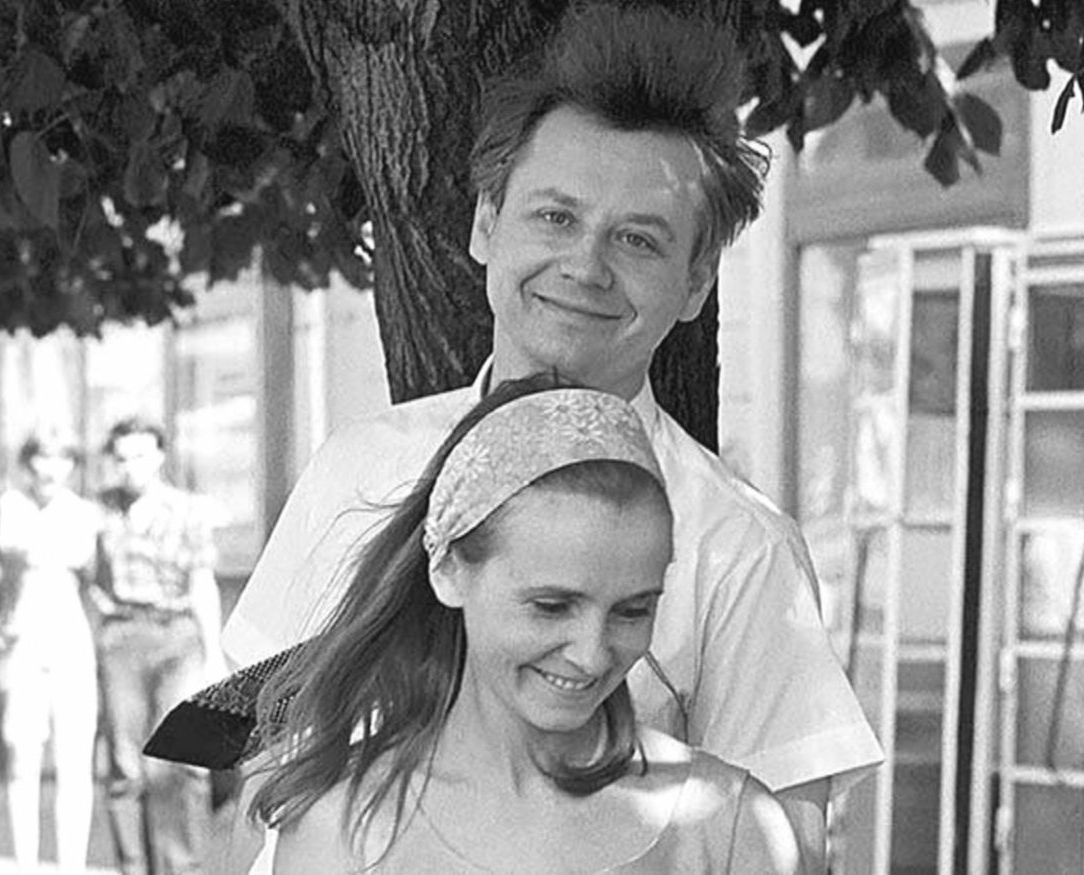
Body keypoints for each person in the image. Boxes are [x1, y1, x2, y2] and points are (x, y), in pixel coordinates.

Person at [221, 4, 882, 870]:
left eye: (637, 239)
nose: (584, 265)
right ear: (485, 222)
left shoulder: (739, 548)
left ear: (695, 282)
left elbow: (784, 844)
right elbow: (257, 769)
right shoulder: (356, 468)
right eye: (555, 217)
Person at [209, 377, 797, 872]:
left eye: (633, 610)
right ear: (447, 571)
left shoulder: (731, 824)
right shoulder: (340, 826)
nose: (592, 654)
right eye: (551, 606)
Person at [0, 428, 101, 873]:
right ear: (27, 464)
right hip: (22, 646)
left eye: (62, 458)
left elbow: (104, 584)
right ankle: (24, 864)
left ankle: (72, 865)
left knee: (74, 762)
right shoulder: (5, 509)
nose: (50, 469)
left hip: (73, 645)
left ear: (73, 465)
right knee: (23, 758)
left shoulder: (86, 514)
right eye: (41, 458)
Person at [90, 417, 222, 875]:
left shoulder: (188, 510)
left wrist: (212, 655)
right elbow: (83, 572)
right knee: (126, 765)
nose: (131, 467)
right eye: (122, 458)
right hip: (123, 637)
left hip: (176, 635)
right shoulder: (101, 511)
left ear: (160, 456)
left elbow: (202, 582)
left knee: (177, 757)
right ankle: (133, 867)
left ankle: (181, 868)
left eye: (141, 455)